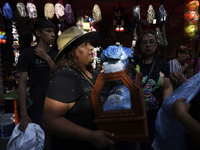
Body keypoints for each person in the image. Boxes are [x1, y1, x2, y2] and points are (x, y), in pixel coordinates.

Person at [42, 26, 115, 150]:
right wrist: (91, 136)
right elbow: (50, 120)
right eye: (84, 45)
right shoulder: (65, 76)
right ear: (71, 53)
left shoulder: (91, 73)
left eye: (89, 44)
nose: (91, 47)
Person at [131, 29, 173, 150]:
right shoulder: (132, 62)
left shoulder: (162, 64)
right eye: (144, 42)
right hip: (134, 113)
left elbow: (168, 86)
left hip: (153, 114)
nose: (148, 45)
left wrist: (165, 104)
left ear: (156, 45)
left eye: (151, 42)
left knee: (149, 145)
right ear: (139, 45)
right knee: (130, 143)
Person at [16, 18, 58, 132]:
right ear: (38, 33)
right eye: (48, 31)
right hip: (36, 105)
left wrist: (48, 59)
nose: (53, 35)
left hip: (55, 105)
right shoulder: (28, 54)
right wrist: (24, 115)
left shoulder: (56, 55)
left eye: (53, 32)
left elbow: (59, 78)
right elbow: (22, 84)